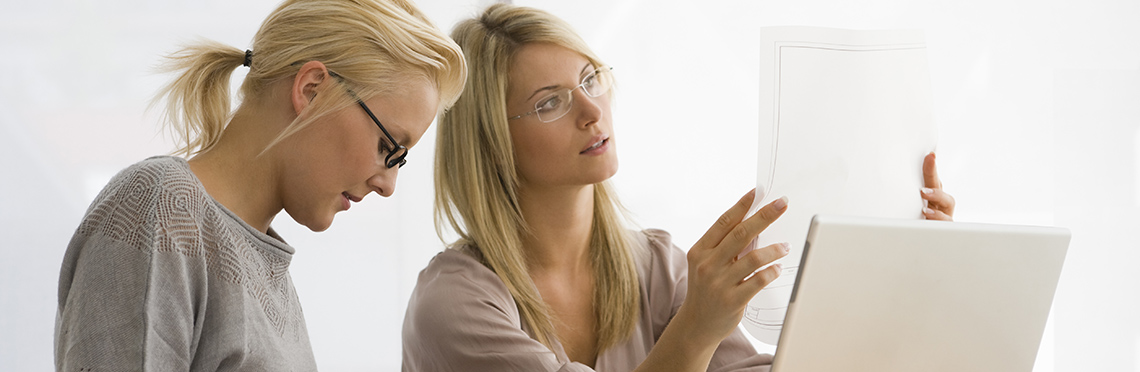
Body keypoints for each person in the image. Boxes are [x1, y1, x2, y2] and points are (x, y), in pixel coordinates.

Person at [401, 3, 955, 372]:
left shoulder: (655, 267)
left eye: (590, 80)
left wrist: (902, 271)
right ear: (493, 142)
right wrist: (695, 330)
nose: (595, 112)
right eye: (551, 102)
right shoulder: (454, 306)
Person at [54, 0, 465, 370]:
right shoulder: (161, 209)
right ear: (312, 90)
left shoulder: (263, 266)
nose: (387, 184)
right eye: (387, 147)